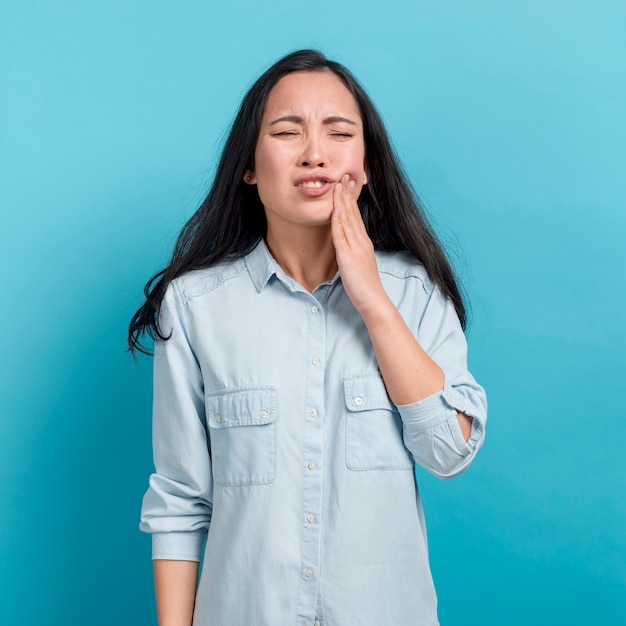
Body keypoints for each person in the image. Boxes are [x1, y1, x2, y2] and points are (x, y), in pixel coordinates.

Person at [129, 49, 487, 626]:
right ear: (248, 165)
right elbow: (179, 500)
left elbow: (449, 451)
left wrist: (371, 298)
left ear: (366, 165)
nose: (315, 154)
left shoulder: (415, 292)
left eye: (339, 133)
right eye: (287, 132)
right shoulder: (196, 307)